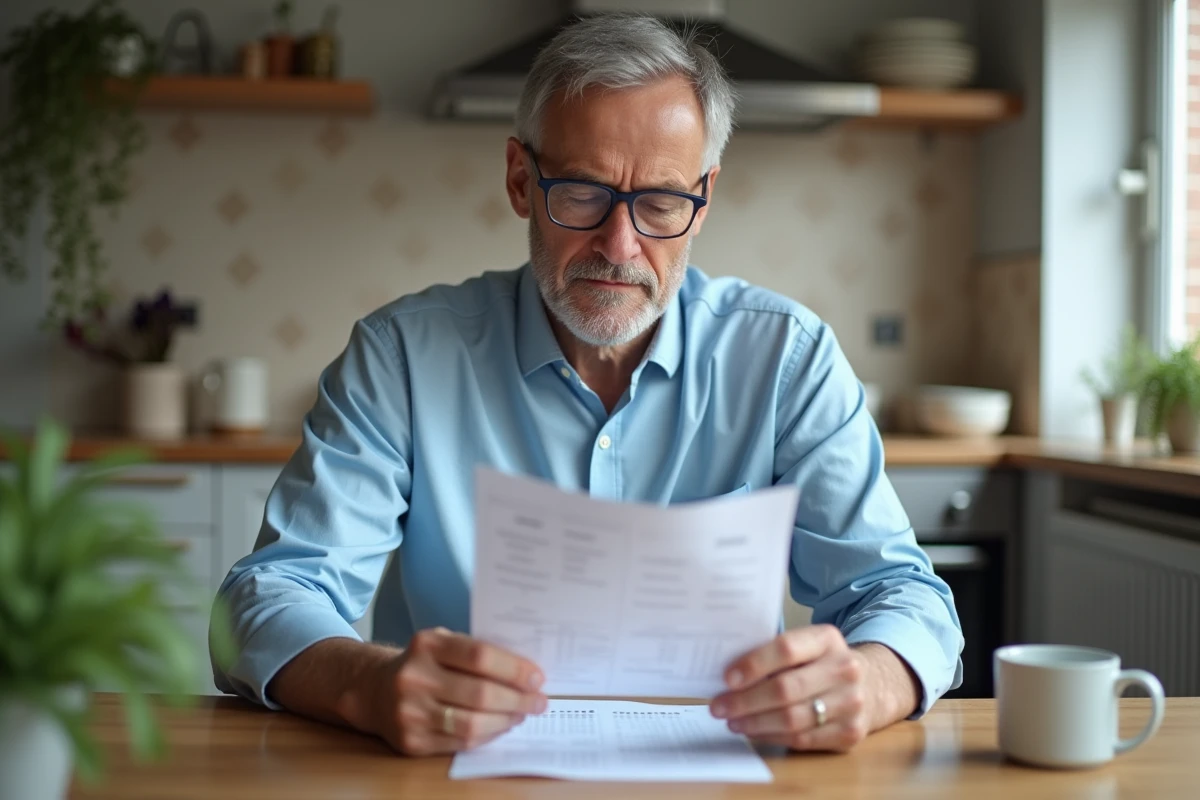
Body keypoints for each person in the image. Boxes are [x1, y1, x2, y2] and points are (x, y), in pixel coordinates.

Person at [212, 14, 963, 757]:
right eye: (581, 193)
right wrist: (367, 686)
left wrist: (871, 680)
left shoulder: (786, 360)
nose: (619, 245)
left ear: (704, 200)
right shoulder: (401, 356)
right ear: (519, 180)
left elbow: (906, 599)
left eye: (662, 202)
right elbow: (265, 601)